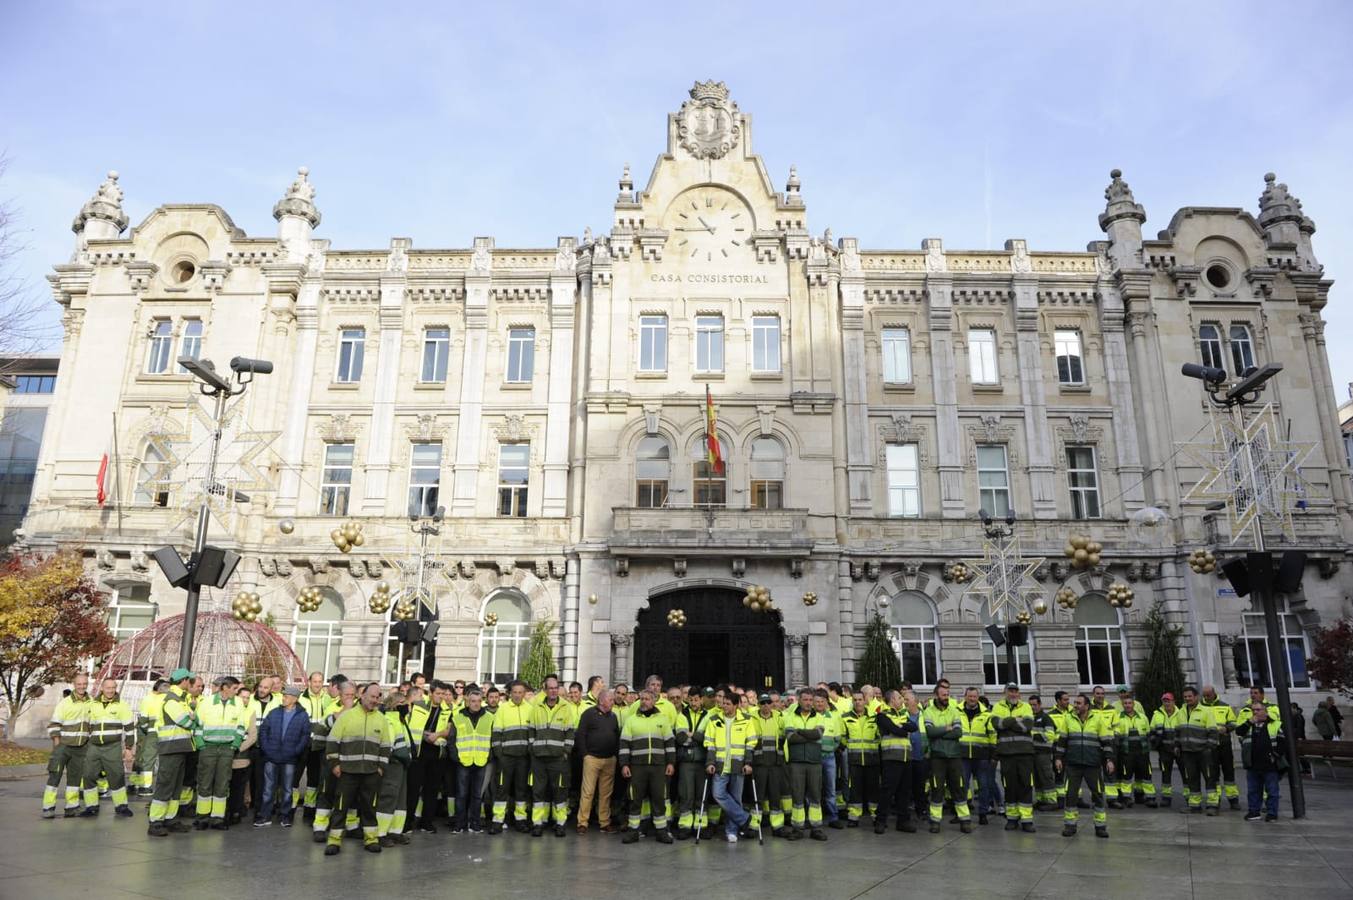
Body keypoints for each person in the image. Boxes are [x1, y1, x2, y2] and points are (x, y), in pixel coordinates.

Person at [324, 682, 390, 855]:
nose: (375, 700)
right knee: (341, 807)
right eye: (372, 697)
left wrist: (381, 768)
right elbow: (332, 742)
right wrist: (335, 765)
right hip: (347, 772)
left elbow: (385, 746)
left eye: (377, 697)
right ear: (362, 696)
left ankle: (371, 840)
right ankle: (334, 841)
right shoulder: (347, 716)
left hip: (371, 773)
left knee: (369, 808)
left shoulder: (381, 720)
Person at [618, 688, 675, 844]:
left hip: (658, 767)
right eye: (642, 699)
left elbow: (669, 744)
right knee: (635, 799)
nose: (644, 702)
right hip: (637, 767)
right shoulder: (631, 720)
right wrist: (624, 764)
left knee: (659, 798)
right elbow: (624, 744)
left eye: (647, 699)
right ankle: (633, 831)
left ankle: (661, 831)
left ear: (654, 700)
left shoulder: (662, 719)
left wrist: (671, 762)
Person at [1055, 692, 1114, 839]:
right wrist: (1058, 758)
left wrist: (1109, 760)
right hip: (1073, 764)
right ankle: (1070, 826)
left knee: (1098, 795)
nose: (1075, 705)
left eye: (1078, 703)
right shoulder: (1068, 719)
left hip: (1092, 764)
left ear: (1087, 706)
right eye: (1074, 703)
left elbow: (1106, 741)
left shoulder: (1098, 719)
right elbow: (1062, 741)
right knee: (1070, 795)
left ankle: (1100, 827)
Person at [147, 669, 198, 837]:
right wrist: (192, 717)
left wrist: (192, 716)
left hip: (180, 748)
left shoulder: (180, 700)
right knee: (165, 785)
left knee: (175, 787)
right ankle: (156, 821)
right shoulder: (172, 700)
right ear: (183, 681)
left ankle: (171, 818)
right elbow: (187, 722)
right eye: (189, 681)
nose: (190, 684)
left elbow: (190, 719)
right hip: (171, 749)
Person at [193, 676, 246, 831]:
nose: (237, 692)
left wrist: (234, 745)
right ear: (225, 688)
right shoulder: (207, 702)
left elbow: (241, 726)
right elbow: (197, 725)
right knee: (205, 783)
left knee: (222, 784)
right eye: (235, 689)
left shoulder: (238, 704)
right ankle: (202, 817)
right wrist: (201, 745)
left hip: (226, 750)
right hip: (208, 748)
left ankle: (217, 818)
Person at [704, 692, 755, 843]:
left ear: (736, 705)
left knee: (736, 798)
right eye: (723, 703)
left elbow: (750, 743)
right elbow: (710, 743)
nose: (723, 706)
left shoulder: (746, 720)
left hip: (738, 766)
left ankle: (731, 831)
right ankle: (744, 818)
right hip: (720, 766)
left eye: (727, 703)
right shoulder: (714, 720)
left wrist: (748, 763)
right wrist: (710, 762)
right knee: (718, 794)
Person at [256, 685, 311, 827]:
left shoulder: (302, 716)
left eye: (286, 696)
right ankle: (265, 816)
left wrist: (294, 751)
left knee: (287, 790)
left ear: (294, 699)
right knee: (268, 789)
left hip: (289, 759)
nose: (283, 698)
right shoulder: (274, 712)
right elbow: (263, 731)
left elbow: (305, 736)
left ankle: (285, 816)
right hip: (271, 757)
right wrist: (267, 749)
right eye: (284, 696)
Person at [529, 674, 577, 837]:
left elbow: (570, 733)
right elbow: (531, 731)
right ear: (545, 690)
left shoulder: (565, 707)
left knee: (560, 791)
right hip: (539, 757)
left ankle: (560, 823)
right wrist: (533, 749)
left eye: (556, 688)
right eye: (551, 688)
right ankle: (537, 823)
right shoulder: (537, 707)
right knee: (538, 791)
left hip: (558, 758)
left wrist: (566, 752)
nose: (554, 691)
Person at [80, 677, 135, 819]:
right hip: (94, 746)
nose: (110, 690)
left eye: (113, 687)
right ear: (102, 688)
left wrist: (128, 748)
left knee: (116, 776)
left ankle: (121, 806)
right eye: (108, 688)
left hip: (113, 747)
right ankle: (91, 806)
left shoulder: (122, 705)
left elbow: (129, 728)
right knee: (88, 775)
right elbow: (87, 725)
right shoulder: (93, 704)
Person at [923, 679, 971, 833]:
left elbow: (958, 732)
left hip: (954, 755)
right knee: (937, 789)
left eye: (948, 694)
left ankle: (965, 820)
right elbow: (930, 732)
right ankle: (935, 822)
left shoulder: (954, 710)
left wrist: (941, 732)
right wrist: (947, 728)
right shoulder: (929, 711)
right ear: (936, 695)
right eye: (943, 694)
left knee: (959, 788)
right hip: (937, 756)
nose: (946, 697)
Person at [42, 672, 92, 819]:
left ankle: (71, 807)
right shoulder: (64, 703)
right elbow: (54, 725)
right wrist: (57, 744)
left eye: (84, 684)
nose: (82, 686)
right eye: (79, 684)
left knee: (75, 779)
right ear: (74, 685)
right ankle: (48, 807)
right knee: (54, 777)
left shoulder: (91, 703)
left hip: (81, 748)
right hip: (63, 746)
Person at [312, 681, 356, 843]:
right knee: (326, 792)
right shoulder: (332, 708)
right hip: (331, 759)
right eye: (347, 695)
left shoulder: (360, 710)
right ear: (340, 695)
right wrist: (343, 712)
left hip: (351, 760)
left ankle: (351, 826)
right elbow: (321, 729)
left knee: (351, 794)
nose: (350, 699)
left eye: (352, 695)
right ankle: (320, 827)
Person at [990, 682, 1036, 832]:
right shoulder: (998, 706)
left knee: (1025, 785)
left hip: (1025, 753)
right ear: (1005, 692)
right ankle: (1012, 818)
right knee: (1009, 786)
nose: (1013, 694)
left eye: (1016, 691)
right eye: (1010, 691)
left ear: (1019, 693)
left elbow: (1027, 726)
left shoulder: (1026, 706)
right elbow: (997, 724)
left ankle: (1026, 820)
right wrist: (1016, 719)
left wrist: (1008, 722)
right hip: (1006, 754)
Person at [783, 687, 828, 841]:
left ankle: (816, 828)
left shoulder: (819, 716)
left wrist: (800, 731)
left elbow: (818, 734)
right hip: (796, 763)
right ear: (799, 700)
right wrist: (809, 735)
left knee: (815, 795)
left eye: (811, 700)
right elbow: (790, 737)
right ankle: (797, 828)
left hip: (814, 762)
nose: (809, 703)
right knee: (797, 796)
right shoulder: (790, 716)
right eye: (806, 700)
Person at [490, 680, 534, 833]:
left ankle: (520, 820)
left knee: (521, 790)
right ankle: (498, 821)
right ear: (510, 693)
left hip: (523, 758)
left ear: (524, 693)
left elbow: (533, 733)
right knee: (502, 789)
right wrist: (499, 755)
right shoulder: (503, 709)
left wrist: (529, 752)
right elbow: (496, 733)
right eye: (514, 692)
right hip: (506, 758)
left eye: (520, 692)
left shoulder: (530, 709)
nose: (517, 695)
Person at [874, 689, 919, 834]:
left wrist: (902, 727)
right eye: (900, 698)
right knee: (887, 790)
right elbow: (896, 730)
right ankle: (880, 821)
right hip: (891, 758)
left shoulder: (904, 714)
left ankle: (903, 821)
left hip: (906, 757)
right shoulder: (882, 715)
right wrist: (902, 728)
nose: (903, 700)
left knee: (904, 791)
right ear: (892, 700)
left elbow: (914, 727)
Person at [576, 689, 620, 833]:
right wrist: (585, 755)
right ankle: (582, 822)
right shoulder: (588, 714)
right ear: (601, 700)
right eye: (611, 700)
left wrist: (614, 755)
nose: (613, 702)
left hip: (609, 760)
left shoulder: (613, 716)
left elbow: (616, 735)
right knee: (588, 792)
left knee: (606, 793)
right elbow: (581, 735)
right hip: (592, 759)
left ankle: (604, 822)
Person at [451, 686, 493, 833]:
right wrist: (455, 757)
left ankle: (475, 824)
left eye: (478, 701)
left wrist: (489, 756)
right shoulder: (458, 717)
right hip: (463, 761)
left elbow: (493, 739)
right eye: (473, 701)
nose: (476, 704)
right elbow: (452, 740)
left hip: (481, 761)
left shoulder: (489, 717)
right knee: (461, 795)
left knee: (476, 795)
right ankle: (460, 824)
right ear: (467, 702)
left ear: (482, 702)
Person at [376, 690, 413, 847]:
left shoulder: (400, 720)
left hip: (402, 764)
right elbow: (387, 746)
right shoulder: (390, 721)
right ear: (395, 705)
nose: (407, 707)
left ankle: (396, 831)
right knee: (388, 798)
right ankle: (380, 833)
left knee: (400, 800)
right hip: (393, 764)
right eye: (404, 704)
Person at [1236, 702, 1284, 822]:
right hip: (1252, 763)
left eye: (1258, 710)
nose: (1255, 712)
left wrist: (1275, 755)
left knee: (1272, 791)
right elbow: (1239, 731)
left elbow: (1282, 743)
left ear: (1265, 711)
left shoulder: (1275, 724)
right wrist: (1249, 722)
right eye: (1253, 710)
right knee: (1253, 790)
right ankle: (1254, 812)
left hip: (1269, 764)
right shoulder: (1250, 725)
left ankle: (1272, 813)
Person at [671, 686, 709, 838]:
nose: (693, 703)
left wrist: (691, 735)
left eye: (696, 700)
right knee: (686, 794)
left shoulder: (708, 716)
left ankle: (701, 826)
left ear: (701, 700)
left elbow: (707, 739)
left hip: (702, 761)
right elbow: (680, 738)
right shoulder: (681, 715)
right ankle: (685, 826)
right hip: (686, 761)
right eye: (691, 700)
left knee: (701, 794)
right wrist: (697, 736)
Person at [296, 671, 332, 820]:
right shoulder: (301, 698)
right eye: (315, 681)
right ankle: (290, 809)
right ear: (309, 682)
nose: (317, 684)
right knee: (295, 777)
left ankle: (309, 810)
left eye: (320, 681)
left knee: (314, 778)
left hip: (318, 744)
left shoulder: (328, 699)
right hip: (303, 743)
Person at [1178, 686, 1220, 815]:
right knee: (1192, 779)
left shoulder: (1206, 711)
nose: (1187, 699)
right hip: (1187, 752)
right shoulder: (1181, 712)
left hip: (1203, 752)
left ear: (1196, 697)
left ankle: (1213, 805)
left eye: (1190, 696)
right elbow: (1177, 731)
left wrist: (1209, 748)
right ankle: (1195, 806)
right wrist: (1177, 746)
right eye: (1185, 697)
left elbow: (1213, 732)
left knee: (1210, 778)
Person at [842, 690, 879, 829]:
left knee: (873, 789)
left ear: (865, 701)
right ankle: (854, 816)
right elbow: (842, 737)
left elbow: (879, 736)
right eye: (855, 700)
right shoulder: (845, 717)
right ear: (852, 701)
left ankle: (875, 815)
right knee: (855, 789)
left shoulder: (874, 717)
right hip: (854, 759)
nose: (858, 702)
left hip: (872, 759)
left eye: (860, 699)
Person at [958, 686, 995, 825]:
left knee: (983, 786)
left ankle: (983, 813)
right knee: (963, 786)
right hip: (963, 756)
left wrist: (993, 755)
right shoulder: (957, 711)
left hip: (982, 757)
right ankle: (962, 815)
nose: (972, 699)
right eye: (970, 696)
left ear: (978, 698)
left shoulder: (987, 714)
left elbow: (992, 736)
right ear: (965, 697)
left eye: (974, 696)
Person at [1200, 685, 1239, 810]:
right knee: (1212, 773)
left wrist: (1226, 728)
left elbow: (1233, 722)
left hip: (1224, 742)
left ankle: (1233, 799)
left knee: (1229, 771)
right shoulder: (1200, 707)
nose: (1206, 698)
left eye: (1208, 695)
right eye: (1204, 695)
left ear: (1214, 693)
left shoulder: (1225, 706)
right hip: (1209, 744)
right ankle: (1215, 800)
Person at [1113, 693, 1155, 808]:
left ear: (1134, 704)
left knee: (1145, 775)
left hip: (1142, 752)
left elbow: (1147, 734)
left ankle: (1146, 797)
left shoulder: (1143, 717)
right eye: (1125, 703)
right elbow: (1116, 736)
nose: (1127, 705)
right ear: (1122, 704)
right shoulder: (1118, 718)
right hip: (1126, 752)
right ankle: (1126, 798)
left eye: (1130, 703)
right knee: (1126, 777)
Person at [130, 680, 167, 797]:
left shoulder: (148, 698)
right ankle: (143, 785)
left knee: (142, 758)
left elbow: (143, 719)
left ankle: (137, 784)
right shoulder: (163, 699)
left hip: (148, 732)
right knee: (150, 759)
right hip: (158, 732)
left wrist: (145, 729)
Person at [1150, 692, 1184, 806]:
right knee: (1165, 774)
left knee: (1186, 773)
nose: (1167, 703)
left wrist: (1179, 746)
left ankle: (1190, 797)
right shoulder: (1157, 714)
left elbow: (1184, 732)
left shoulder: (1181, 714)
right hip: (1164, 750)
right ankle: (1166, 797)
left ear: (1174, 701)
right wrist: (1156, 745)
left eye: (1169, 701)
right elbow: (1152, 731)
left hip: (1179, 749)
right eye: (1164, 701)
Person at [1028, 695, 1058, 811]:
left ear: (1040, 704)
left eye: (1034, 705)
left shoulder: (1046, 718)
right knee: (1037, 778)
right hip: (1033, 753)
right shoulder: (1030, 717)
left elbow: (1050, 735)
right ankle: (1041, 800)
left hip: (1043, 753)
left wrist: (1034, 735)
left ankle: (1051, 801)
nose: (1032, 707)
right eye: (1030, 705)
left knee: (1046, 776)